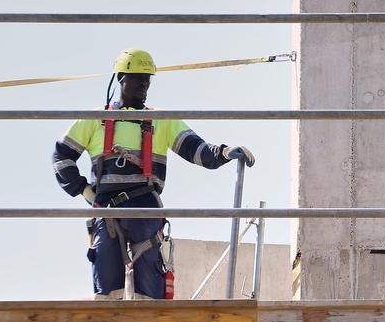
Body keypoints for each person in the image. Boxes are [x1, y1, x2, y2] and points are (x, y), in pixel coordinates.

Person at [52, 48, 256, 299]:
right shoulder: (97, 119)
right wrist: (84, 190)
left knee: (149, 290)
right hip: (106, 210)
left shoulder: (161, 120)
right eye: (139, 78)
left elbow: (197, 150)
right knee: (106, 287)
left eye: (148, 79)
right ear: (121, 78)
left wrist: (224, 153)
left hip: (145, 208)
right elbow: (61, 155)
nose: (144, 85)